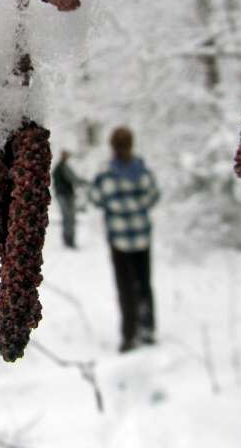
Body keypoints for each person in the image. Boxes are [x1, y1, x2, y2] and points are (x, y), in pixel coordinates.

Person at [89, 127, 159, 353]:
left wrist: (117, 206)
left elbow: (96, 198)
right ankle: (146, 329)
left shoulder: (106, 173)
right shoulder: (142, 170)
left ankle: (131, 334)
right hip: (140, 235)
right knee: (143, 284)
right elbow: (152, 196)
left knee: (126, 288)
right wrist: (135, 205)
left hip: (120, 238)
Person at [52, 150, 84, 249]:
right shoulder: (62, 167)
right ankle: (69, 240)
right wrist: (83, 182)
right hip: (65, 196)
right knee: (69, 217)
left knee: (67, 217)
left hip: (63, 195)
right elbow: (73, 178)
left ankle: (68, 240)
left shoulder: (60, 167)